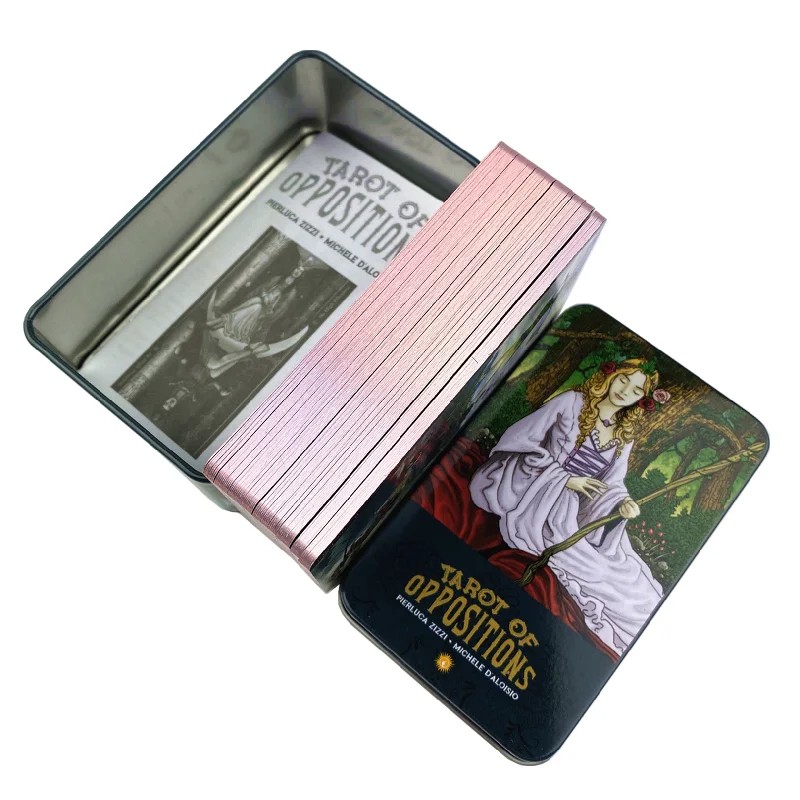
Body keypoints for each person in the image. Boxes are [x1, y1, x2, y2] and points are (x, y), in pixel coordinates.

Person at [469, 358, 665, 655]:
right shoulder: (571, 403)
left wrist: (622, 502)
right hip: (535, 487)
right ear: (611, 375)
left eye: (636, 390)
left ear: (641, 400)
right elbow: (521, 440)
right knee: (578, 560)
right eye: (624, 380)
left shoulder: (624, 436)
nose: (625, 391)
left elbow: (612, 483)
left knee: (620, 572)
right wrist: (564, 479)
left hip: (571, 507)